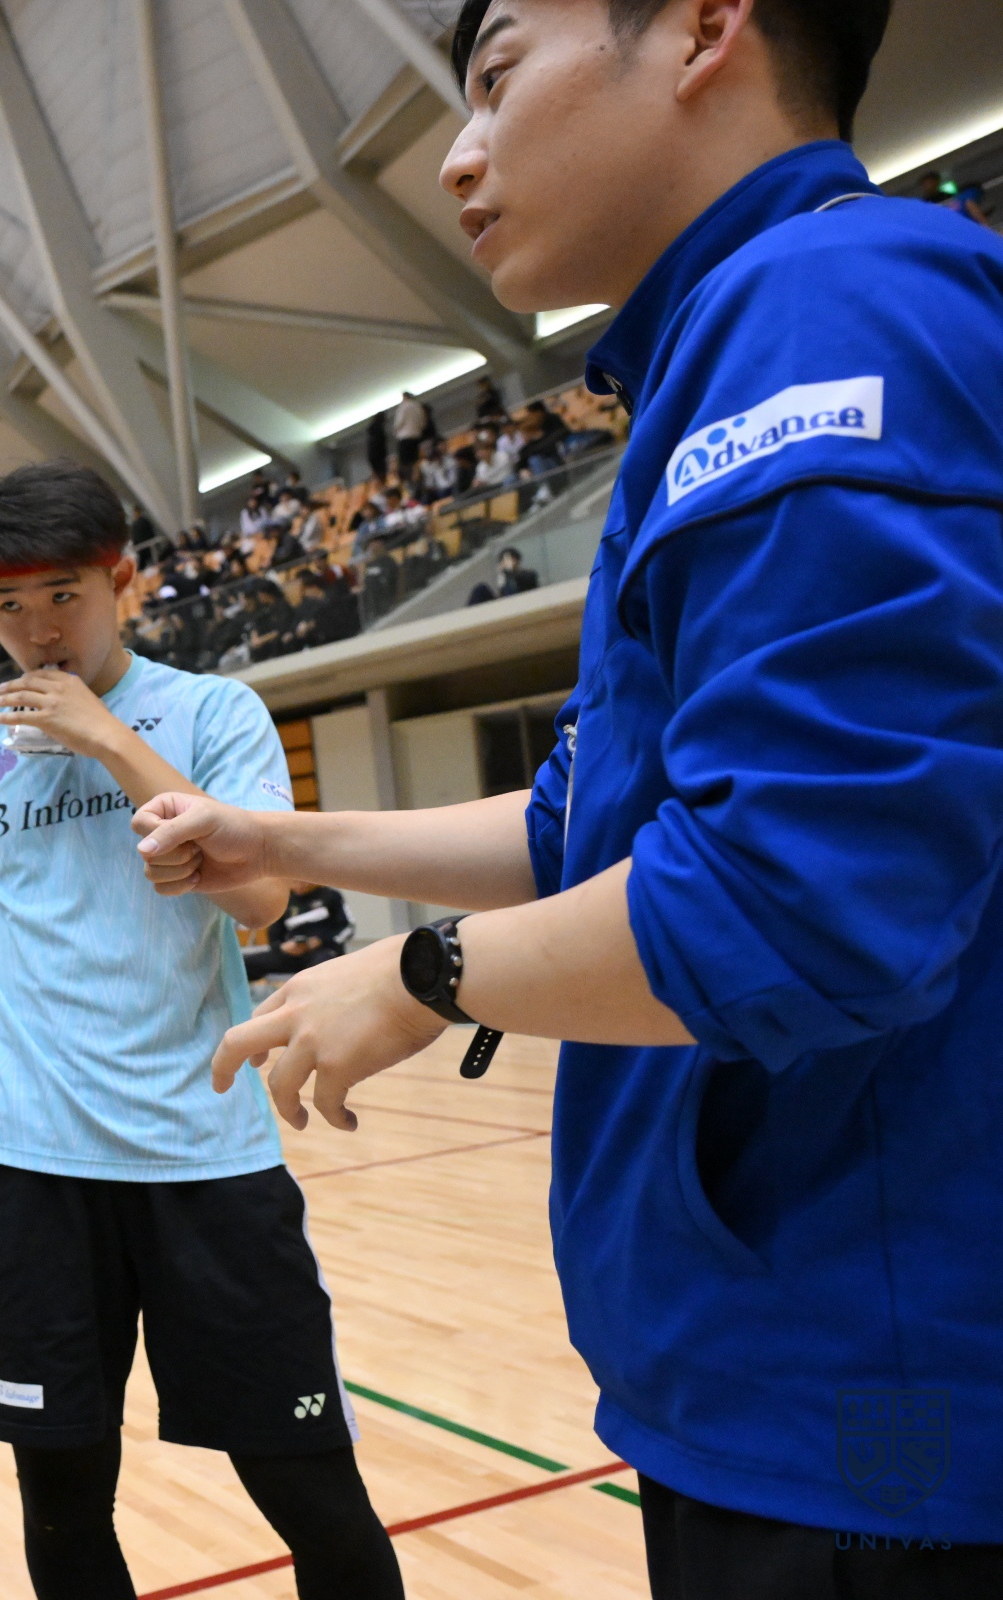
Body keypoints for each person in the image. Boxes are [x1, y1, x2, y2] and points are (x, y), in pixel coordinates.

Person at [135, 1, 1003, 1592]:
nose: (457, 158)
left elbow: (802, 898)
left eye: (495, 80)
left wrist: (421, 975)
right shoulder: (725, 348)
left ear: (706, 28)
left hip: (874, 1393)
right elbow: (579, 823)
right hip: (760, 1373)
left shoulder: (827, 305)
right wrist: (280, 838)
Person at [0, 462, 403, 1600]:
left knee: (310, 1490)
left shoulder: (211, 714)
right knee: (61, 1502)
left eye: (65, 595)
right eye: (7, 606)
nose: (38, 630)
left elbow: (261, 900)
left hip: (205, 1160)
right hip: (28, 1171)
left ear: (124, 581)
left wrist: (107, 738)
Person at [242, 886, 352, 985]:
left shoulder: (330, 895)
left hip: (323, 951)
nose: (298, 884)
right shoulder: (285, 901)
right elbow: (274, 937)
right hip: (293, 954)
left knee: (320, 966)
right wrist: (283, 947)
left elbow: (348, 928)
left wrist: (322, 941)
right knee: (244, 964)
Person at [466, 544, 539, 605]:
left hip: (520, 602)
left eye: (508, 560)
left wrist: (509, 572)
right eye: (503, 561)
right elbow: (501, 595)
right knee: (480, 588)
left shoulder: (528, 575)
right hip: (503, 604)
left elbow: (525, 585)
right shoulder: (503, 578)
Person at [390, 388, 432, 474]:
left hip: (405, 437)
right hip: (416, 436)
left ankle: (409, 476)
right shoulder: (418, 406)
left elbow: (399, 422)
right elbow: (422, 422)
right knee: (415, 460)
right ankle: (417, 475)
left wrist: (395, 432)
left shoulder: (403, 407)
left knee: (406, 462)